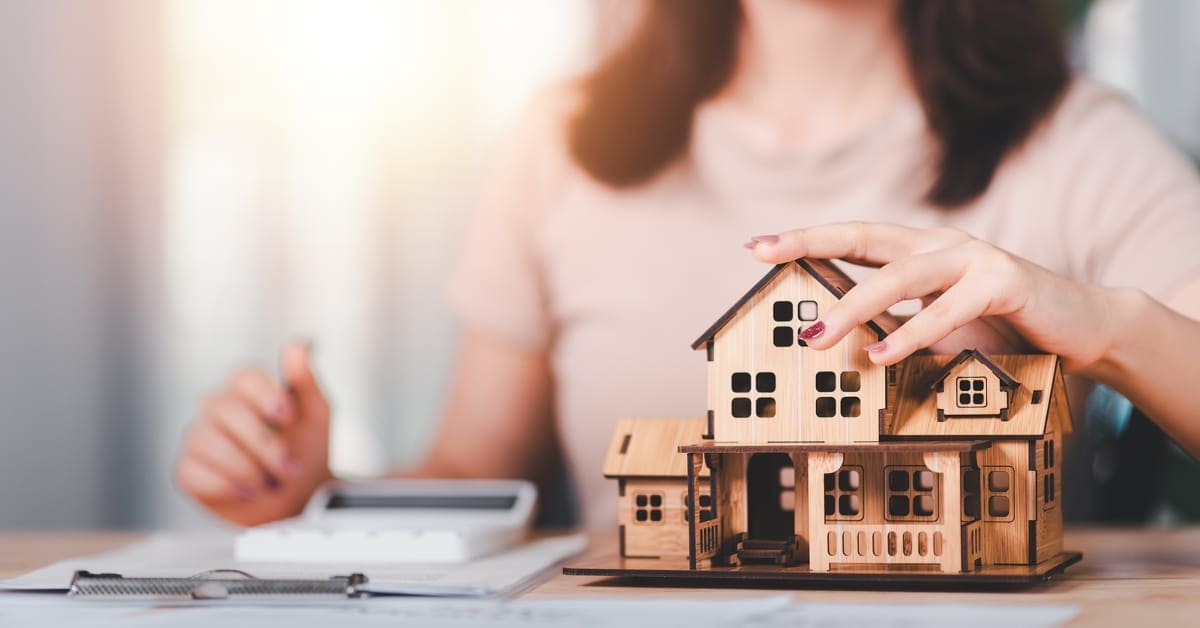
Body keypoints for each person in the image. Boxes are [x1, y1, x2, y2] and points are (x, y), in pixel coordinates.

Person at [175, 0, 1200, 529]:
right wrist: (315, 490)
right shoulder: (562, 143)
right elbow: (470, 471)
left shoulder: (1077, 143)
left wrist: (1103, 327)